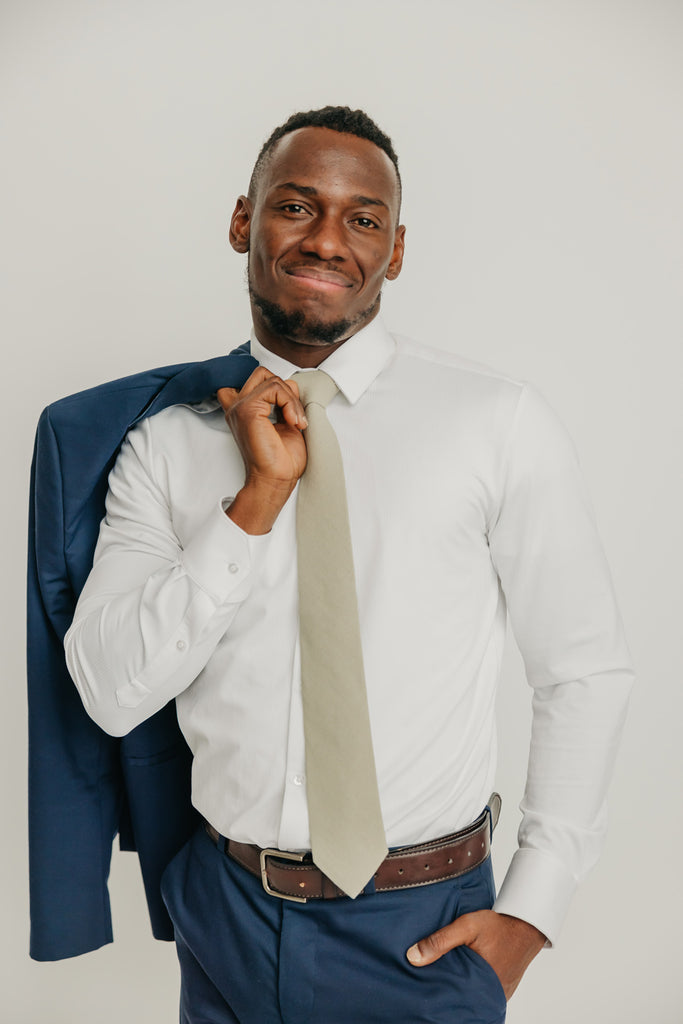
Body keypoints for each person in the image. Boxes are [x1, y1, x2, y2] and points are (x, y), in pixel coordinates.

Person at [64, 106, 633, 1024]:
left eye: (361, 219)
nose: (327, 239)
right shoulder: (164, 448)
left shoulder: (495, 423)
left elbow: (581, 672)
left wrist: (532, 909)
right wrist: (253, 506)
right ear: (243, 221)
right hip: (226, 915)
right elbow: (110, 692)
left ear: (395, 250)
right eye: (296, 206)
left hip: (426, 931)